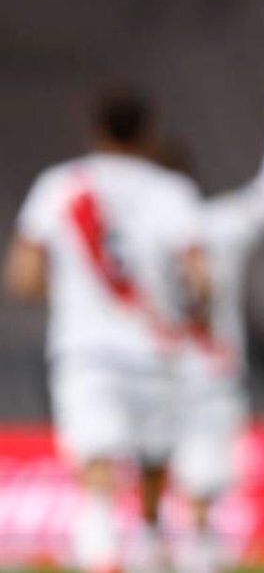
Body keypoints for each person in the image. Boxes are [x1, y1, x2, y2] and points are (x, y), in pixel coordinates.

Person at [4, 88, 210, 573]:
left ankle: (103, 559)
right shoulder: (171, 191)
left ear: (96, 131)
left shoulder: (60, 185)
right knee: (154, 473)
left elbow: (23, 275)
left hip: (87, 354)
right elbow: (200, 280)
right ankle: (154, 553)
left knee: (96, 475)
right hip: (157, 355)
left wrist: (78, 297)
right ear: (147, 132)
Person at [167, 78, 264, 573]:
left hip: (143, 376)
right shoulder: (215, 224)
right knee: (203, 499)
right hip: (207, 377)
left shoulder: (118, 230)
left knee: (155, 491)